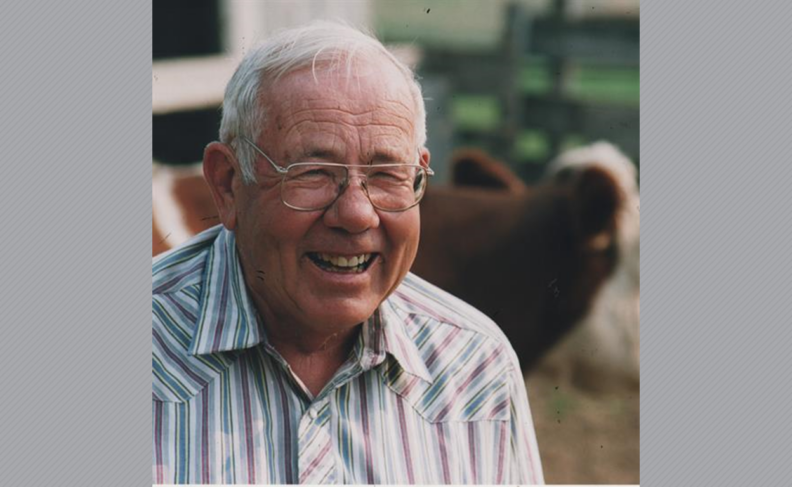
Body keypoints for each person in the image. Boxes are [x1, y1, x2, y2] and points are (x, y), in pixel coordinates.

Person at [152, 21, 543, 484]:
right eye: (313, 172)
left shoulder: (475, 364)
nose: (357, 215)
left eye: (386, 174)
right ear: (228, 184)